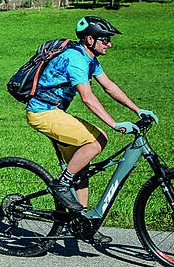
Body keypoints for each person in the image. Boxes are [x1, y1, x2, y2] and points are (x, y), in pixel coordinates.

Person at [24, 15, 157, 243]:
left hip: (55, 112)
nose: (109, 43)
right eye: (104, 39)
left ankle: (80, 222)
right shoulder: (75, 59)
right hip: (42, 113)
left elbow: (109, 86)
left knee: (82, 167)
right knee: (97, 140)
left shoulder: (90, 59)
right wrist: (114, 124)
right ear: (89, 39)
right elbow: (88, 98)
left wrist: (138, 110)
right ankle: (62, 183)